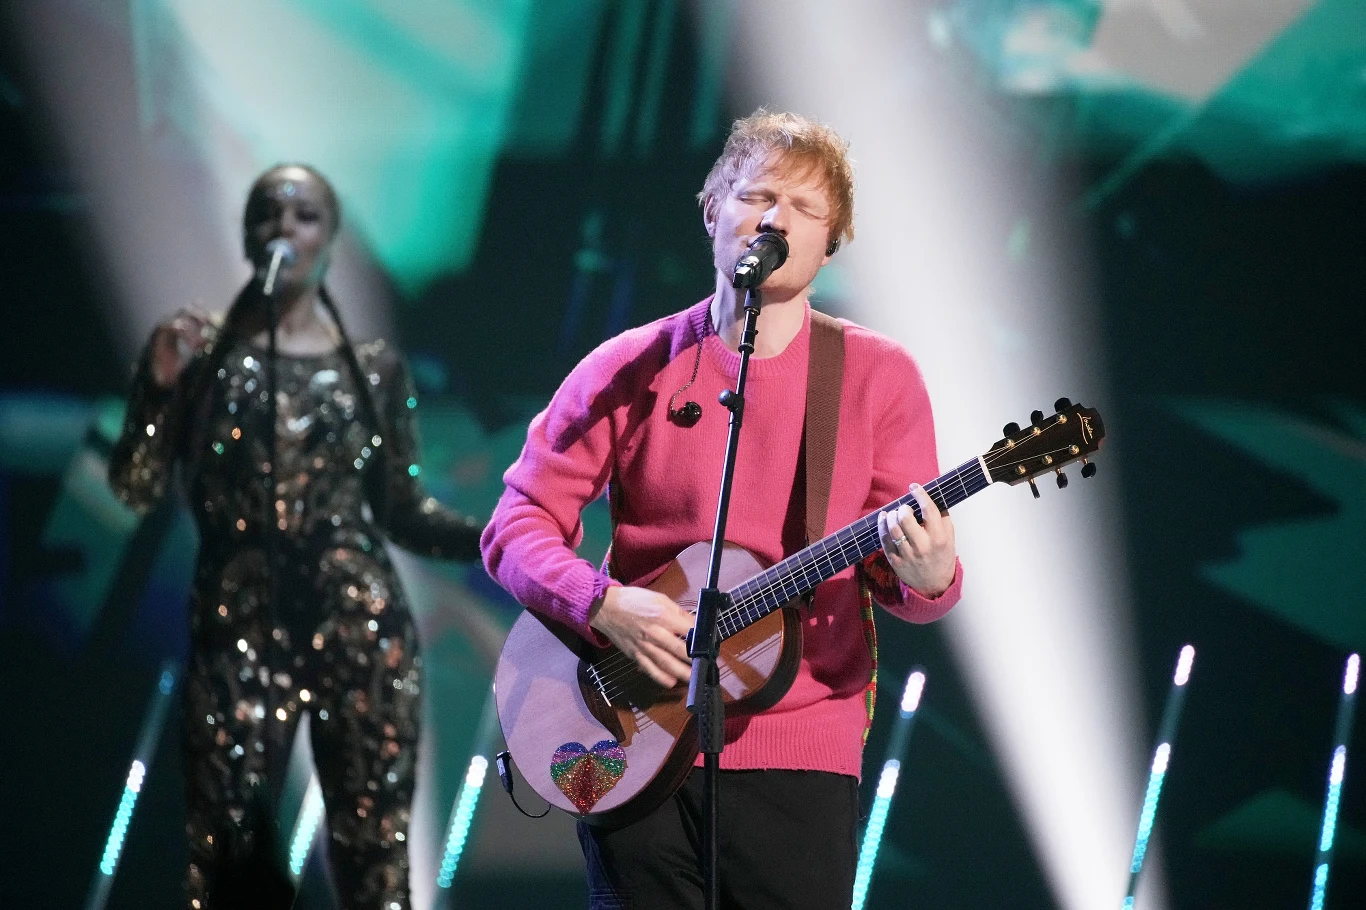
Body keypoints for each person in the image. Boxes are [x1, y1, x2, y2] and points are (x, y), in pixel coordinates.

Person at [481, 110, 964, 908]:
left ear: (831, 240)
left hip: (799, 759)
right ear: (714, 213)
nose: (775, 219)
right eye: (758, 195)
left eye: (805, 208)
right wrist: (606, 605)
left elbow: (904, 582)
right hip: (627, 732)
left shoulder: (879, 378)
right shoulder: (628, 367)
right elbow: (515, 525)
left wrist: (932, 574)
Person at [109, 164, 483, 910]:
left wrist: (506, 536)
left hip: (359, 630)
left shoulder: (370, 368)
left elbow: (404, 511)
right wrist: (157, 385)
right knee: (227, 857)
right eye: (267, 213)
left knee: (373, 858)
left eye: (304, 214)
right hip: (238, 631)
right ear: (247, 234)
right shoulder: (199, 354)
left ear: (331, 236)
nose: (285, 227)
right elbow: (136, 485)